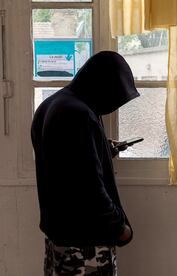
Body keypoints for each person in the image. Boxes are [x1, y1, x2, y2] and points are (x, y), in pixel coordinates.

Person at [31, 51, 139, 275]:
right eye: (114, 97)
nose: (113, 106)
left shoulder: (52, 104)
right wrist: (120, 228)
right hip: (85, 247)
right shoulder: (77, 114)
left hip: (60, 242)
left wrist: (101, 148)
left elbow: (64, 165)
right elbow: (89, 188)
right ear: (102, 85)